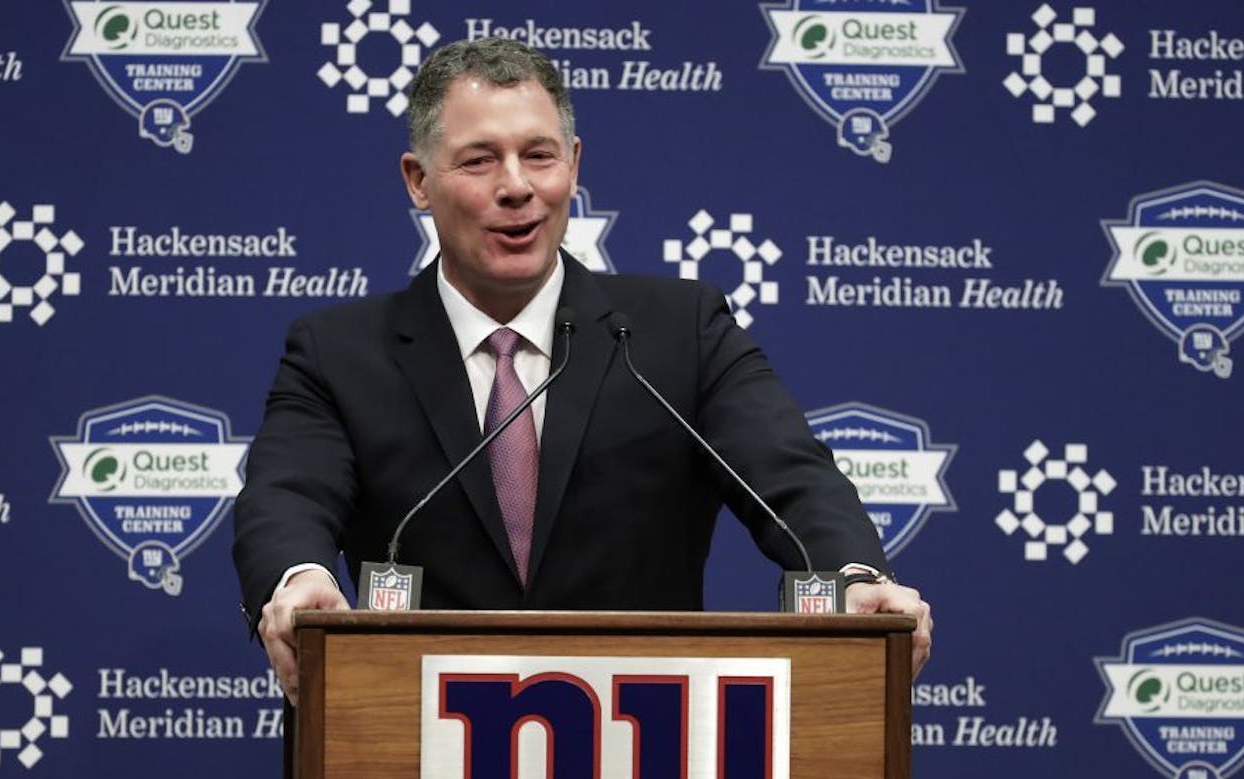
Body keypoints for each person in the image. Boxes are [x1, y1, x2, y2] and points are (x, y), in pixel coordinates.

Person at [232, 38, 932, 704]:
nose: (516, 187)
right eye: (479, 161)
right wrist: (301, 580)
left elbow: (792, 477)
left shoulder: (678, 333)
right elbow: (287, 498)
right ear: (418, 181)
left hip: (648, 753)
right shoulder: (340, 351)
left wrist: (854, 577)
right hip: (408, 740)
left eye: (538, 155)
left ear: (573, 163)